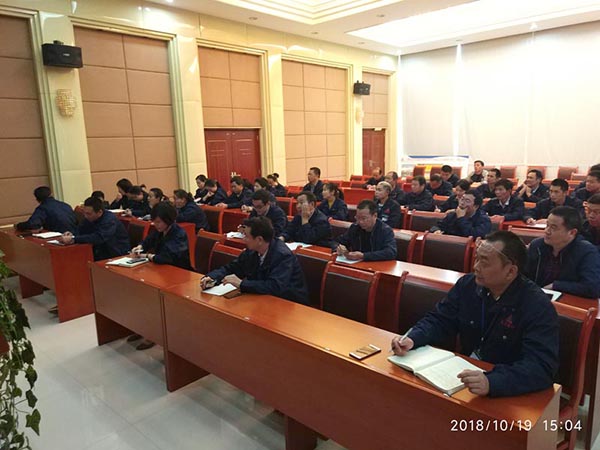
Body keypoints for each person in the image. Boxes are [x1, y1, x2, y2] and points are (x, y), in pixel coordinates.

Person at [391, 231, 559, 398]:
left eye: (484, 263)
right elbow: (440, 319)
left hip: (509, 390)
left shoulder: (536, 305)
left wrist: (492, 382)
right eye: (476, 259)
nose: (476, 267)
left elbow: (540, 367)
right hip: (466, 378)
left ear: (510, 271)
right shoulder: (468, 285)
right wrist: (413, 338)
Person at [129, 202, 192, 350]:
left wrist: (146, 255)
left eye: (158, 222)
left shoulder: (179, 234)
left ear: (168, 220)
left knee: (153, 298)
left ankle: (153, 334)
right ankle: (144, 328)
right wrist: (140, 247)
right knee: (141, 294)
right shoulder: (160, 231)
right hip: (161, 272)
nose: (155, 225)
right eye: (154, 221)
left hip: (179, 276)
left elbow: (165, 258)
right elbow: (147, 241)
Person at [201, 216, 309, 304]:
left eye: (246, 236)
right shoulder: (251, 251)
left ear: (259, 240)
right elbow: (232, 268)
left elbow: (274, 287)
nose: (244, 239)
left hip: (289, 303)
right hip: (262, 298)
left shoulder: (283, 256)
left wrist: (241, 284)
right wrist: (213, 277)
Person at [525, 206, 600, 298]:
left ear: (572, 232)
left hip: (568, 301)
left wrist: (556, 286)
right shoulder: (537, 246)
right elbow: (524, 275)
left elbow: (592, 288)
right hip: (535, 297)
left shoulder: (587, 252)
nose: (547, 231)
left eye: (553, 228)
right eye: (547, 225)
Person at [59, 196, 130, 261]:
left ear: (99, 212)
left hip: (115, 253)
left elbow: (99, 237)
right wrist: (71, 234)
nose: (85, 216)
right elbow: (81, 229)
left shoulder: (109, 220)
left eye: (88, 214)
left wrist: (74, 239)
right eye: (84, 213)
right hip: (99, 251)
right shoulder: (89, 218)